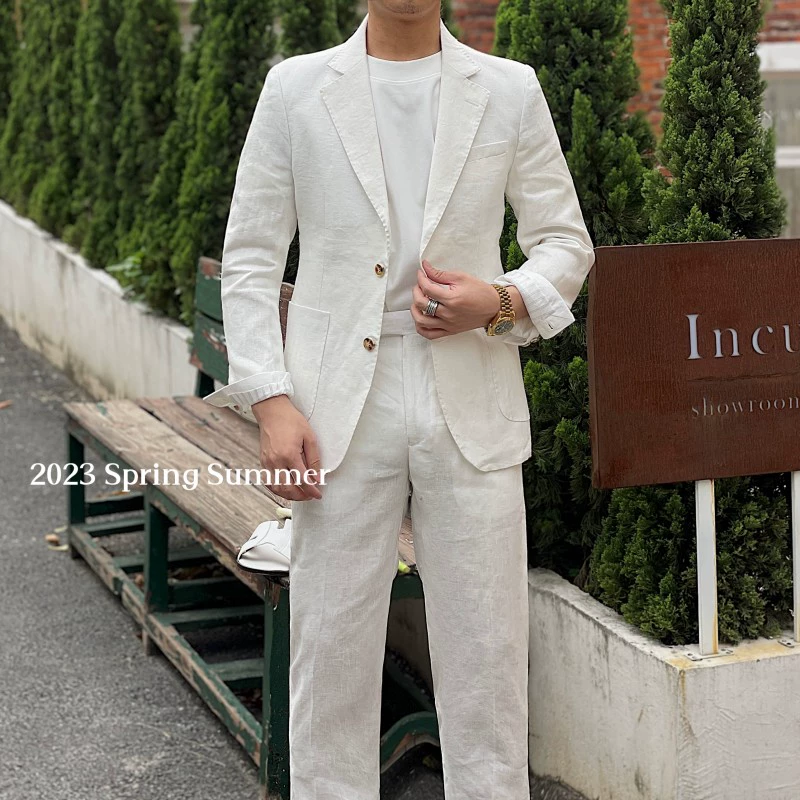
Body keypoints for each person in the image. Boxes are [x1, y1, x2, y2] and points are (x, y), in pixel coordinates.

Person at [204, 2, 595, 797]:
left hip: (471, 393)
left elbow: (565, 242)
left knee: (488, 657)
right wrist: (271, 402)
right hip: (335, 410)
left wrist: (500, 300)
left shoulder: (509, 89)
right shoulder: (296, 89)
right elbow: (249, 259)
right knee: (330, 653)